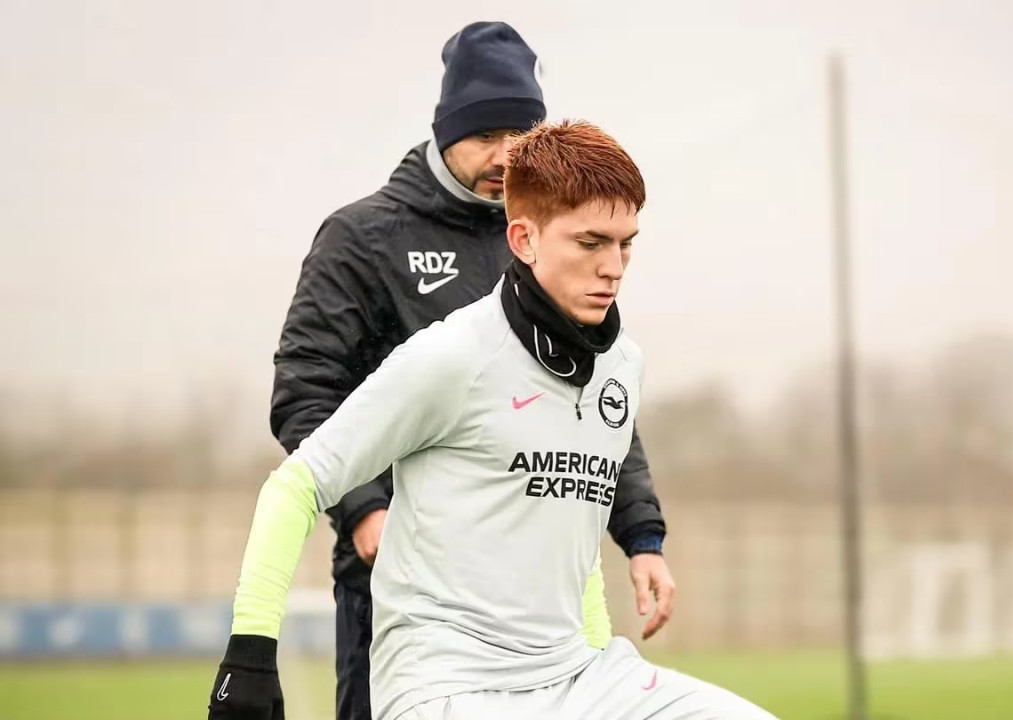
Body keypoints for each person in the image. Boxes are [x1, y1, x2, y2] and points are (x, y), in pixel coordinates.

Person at [208, 119, 773, 720]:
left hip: (573, 675)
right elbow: (296, 484)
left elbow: (572, 538)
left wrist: (597, 653)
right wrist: (249, 655)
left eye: (625, 242)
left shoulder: (621, 365)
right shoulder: (452, 356)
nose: (614, 266)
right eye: (590, 243)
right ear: (524, 240)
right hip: (446, 686)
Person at [267, 22, 671, 720]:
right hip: (402, 580)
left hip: (540, 599)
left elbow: (599, 394)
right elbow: (305, 390)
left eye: (523, 136)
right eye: (486, 135)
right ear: (443, 130)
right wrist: (365, 510)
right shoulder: (363, 238)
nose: (506, 156)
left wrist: (642, 536)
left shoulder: (554, 240)